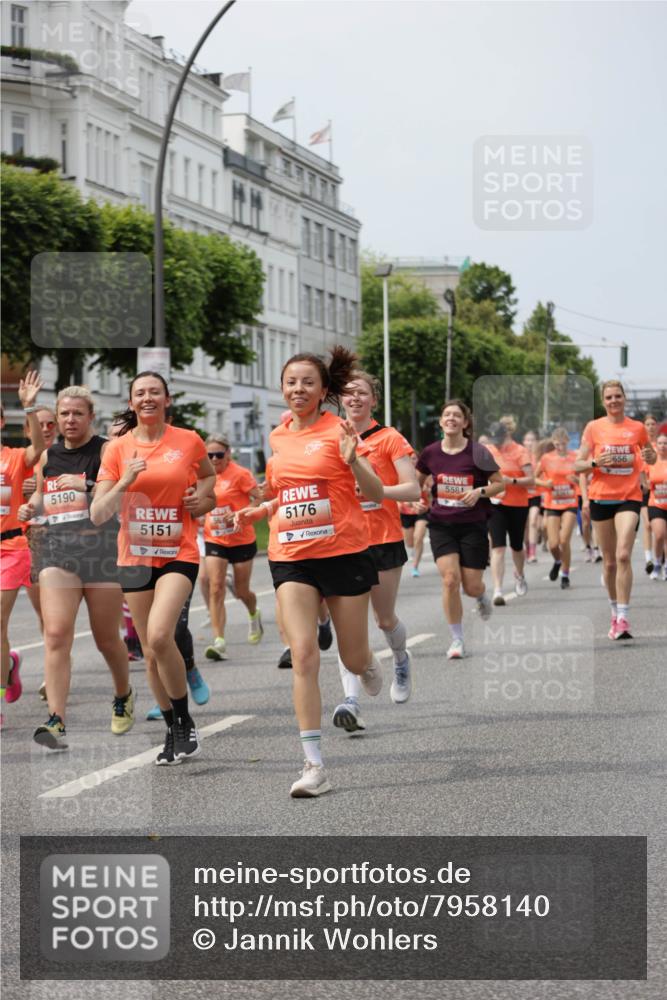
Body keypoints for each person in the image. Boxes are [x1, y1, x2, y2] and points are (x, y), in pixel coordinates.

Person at [235, 348, 384, 798]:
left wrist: (353, 457)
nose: (297, 389)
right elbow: (285, 492)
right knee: (303, 653)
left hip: (343, 552)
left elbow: (375, 491)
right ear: (282, 387)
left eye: (307, 383)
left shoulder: (339, 430)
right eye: (291, 382)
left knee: (353, 658)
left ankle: (369, 665)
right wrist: (262, 506)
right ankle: (313, 765)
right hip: (291, 554)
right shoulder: (278, 437)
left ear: (324, 391)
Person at [91, 372, 216, 764]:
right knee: (149, 652)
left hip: (178, 551)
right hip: (135, 558)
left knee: (162, 636)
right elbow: (98, 513)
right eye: (140, 393)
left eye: (154, 392)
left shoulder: (188, 440)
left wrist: (204, 500)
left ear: (167, 399)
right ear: (131, 402)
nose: (147, 398)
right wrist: (124, 480)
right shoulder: (116, 450)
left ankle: (183, 720)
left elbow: (209, 479)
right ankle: (171, 729)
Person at [19, 386, 133, 749]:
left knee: (106, 639)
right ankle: (56, 721)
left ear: (90, 417)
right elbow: (41, 495)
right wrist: (31, 507)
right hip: (58, 553)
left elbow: (121, 495)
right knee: (55, 634)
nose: (69, 420)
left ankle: (123, 694)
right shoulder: (49, 455)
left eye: (77, 414)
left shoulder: (107, 450)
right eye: (64, 414)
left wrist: (85, 485)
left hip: (101, 555)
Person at [332, 371, 420, 731]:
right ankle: (351, 702)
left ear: (374, 400)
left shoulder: (389, 439)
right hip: (342, 541)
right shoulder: (329, 435)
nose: (354, 399)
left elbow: (412, 490)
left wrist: (374, 491)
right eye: (348, 393)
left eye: (361, 393)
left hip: (382, 539)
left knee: (384, 620)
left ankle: (400, 658)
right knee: (348, 627)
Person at [416, 400, 504, 659]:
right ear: (441, 422)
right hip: (441, 524)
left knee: (471, 586)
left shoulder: (479, 452)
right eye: (447, 415)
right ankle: (457, 639)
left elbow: (499, 485)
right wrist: (414, 500)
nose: (451, 418)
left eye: (457, 415)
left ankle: (480, 596)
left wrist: (479, 491)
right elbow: (415, 483)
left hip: (472, 526)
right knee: (450, 580)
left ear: (465, 423)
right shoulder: (430, 453)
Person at [575, 380, 656, 640]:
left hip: (628, 498)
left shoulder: (637, 428)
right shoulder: (594, 428)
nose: (613, 401)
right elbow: (577, 466)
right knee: (609, 563)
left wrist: (652, 457)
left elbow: (649, 456)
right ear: (603, 401)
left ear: (624, 398)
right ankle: (613, 611)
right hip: (600, 499)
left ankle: (623, 617)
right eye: (609, 397)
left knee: (623, 555)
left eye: (617, 396)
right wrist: (597, 461)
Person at [1, 373, 46, 719]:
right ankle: (8, 666)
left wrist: (29, 406)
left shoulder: (14, 458)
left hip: (12, 546)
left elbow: (39, 449)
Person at [202, 435, 263, 661]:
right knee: (215, 587)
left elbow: (258, 498)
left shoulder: (240, 474)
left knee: (241, 591)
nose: (215, 459)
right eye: (210, 455)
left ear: (228, 454)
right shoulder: (202, 475)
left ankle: (253, 612)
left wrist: (240, 513)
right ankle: (219, 641)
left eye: (219, 454)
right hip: (215, 538)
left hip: (241, 539)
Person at [20, 406, 58, 700]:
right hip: (30, 541)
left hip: (62, 542)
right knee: (41, 613)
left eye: (50, 424)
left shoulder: (67, 455)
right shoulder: (24, 458)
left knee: (54, 613)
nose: (45, 429)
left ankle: (52, 673)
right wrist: (28, 491)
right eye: (39, 424)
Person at [485, 416, 534, 605]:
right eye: (492, 440)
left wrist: (511, 481)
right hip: (496, 504)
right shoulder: (488, 451)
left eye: (498, 439)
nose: (495, 443)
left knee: (516, 546)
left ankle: (520, 575)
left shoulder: (520, 451)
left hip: (517, 504)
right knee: (497, 546)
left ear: (506, 435)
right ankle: (497, 590)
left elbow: (531, 480)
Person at [535, 428, 580, 589]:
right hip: (552, 503)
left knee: (564, 540)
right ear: (553, 443)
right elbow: (534, 478)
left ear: (567, 442)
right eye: (557, 444)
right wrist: (545, 483)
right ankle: (557, 561)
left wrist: (576, 480)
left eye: (563, 444)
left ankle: (565, 575)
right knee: (553, 544)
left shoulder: (575, 457)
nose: (560, 447)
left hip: (570, 502)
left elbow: (584, 479)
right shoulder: (547, 458)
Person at [399, 455, 430, 577]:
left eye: (415, 458)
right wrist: (409, 503)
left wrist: (428, 493)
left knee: (419, 537)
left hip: (422, 511)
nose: (413, 460)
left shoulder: (424, 474)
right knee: (410, 543)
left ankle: (415, 566)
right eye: (410, 458)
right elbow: (399, 495)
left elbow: (433, 492)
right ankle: (414, 551)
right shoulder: (400, 474)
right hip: (406, 512)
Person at [644, 428, 667, 580]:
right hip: (656, 503)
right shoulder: (650, 463)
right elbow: (644, 486)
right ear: (656, 445)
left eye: (665, 443)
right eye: (660, 443)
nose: (663, 446)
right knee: (659, 535)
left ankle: (665, 566)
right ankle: (657, 561)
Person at [641, 414, 659, 573]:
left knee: (660, 529)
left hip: (660, 489)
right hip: (645, 490)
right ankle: (649, 559)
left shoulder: (662, 444)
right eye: (647, 424)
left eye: (653, 424)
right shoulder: (640, 445)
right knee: (647, 524)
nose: (651, 427)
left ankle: (661, 557)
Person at [523, 430, 541, 562]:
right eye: (527, 440)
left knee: (533, 520)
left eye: (532, 440)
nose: (529, 443)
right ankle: (527, 547)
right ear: (523, 442)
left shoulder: (539, 457)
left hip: (536, 494)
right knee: (524, 525)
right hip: (521, 496)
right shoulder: (520, 456)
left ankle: (533, 553)